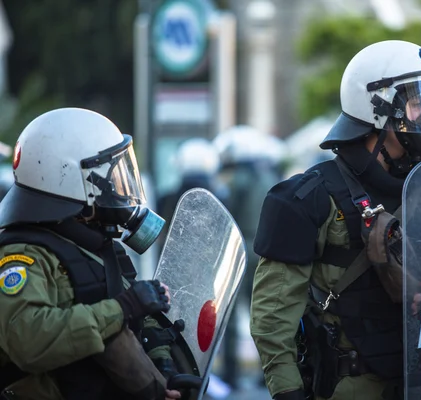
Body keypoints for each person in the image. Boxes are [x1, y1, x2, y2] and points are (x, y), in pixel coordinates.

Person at [250, 40, 421, 400]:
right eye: (416, 103)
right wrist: (287, 392)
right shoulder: (310, 198)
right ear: (378, 109)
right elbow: (272, 319)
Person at [0, 108, 183, 400]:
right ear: (69, 180)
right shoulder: (23, 256)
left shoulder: (94, 245)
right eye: (108, 178)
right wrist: (123, 307)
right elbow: (29, 339)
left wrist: (163, 363)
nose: (117, 188)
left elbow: (137, 317)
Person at [213, 125, 286, 388]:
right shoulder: (271, 177)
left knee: (232, 314)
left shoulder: (236, 179)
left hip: (240, 249)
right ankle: (267, 373)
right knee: (264, 314)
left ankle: (230, 374)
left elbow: (224, 213)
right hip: (265, 249)